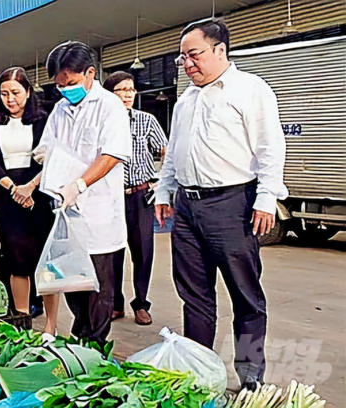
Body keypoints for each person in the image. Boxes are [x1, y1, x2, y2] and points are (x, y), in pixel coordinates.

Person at [154, 19, 288, 389]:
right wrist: (164, 193)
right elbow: (174, 153)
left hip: (233, 206)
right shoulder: (185, 100)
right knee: (194, 297)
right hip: (187, 207)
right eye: (182, 58)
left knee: (245, 296)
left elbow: (270, 148)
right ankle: (201, 375)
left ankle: (250, 378)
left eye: (193, 55)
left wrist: (266, 198)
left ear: (220, 50)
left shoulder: (250, 90)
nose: (187, 64)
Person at [34, 42, 132, 344]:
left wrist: (79, 184)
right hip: (67, 211)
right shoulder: (61, 110)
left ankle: (96, 345)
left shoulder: (110, 107)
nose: (65, 90)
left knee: (97, 286)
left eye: (71, 83)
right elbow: (49, 145)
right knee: (73, 281)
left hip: (98, 213)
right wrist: (43, 156)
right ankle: (81, 335)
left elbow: (112, 155)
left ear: (90, 74)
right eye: (60, 85)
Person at [0, 67, 58, 337]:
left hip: (39, 191)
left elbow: (52, 156)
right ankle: (23, 319)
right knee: (16, 259)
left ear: (28, 92)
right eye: (4, 93)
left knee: (44, 260)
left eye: (15, 92)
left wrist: (30, 188)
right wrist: (14, 190)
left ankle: (51, 324)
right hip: (8, 195)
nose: (9, 99)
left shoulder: (43, 120)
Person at [102, 71, 168, 326]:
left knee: (143, 252)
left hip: (141, 196)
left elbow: (165, 151)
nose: (128, 95)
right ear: (110, 94)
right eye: (122, 90)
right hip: (111, 197)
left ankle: (141, 303)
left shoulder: (146, 120)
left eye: (131, 90)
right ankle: (115, 304)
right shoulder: (103, 123)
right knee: (113, 252)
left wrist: (163, 185)